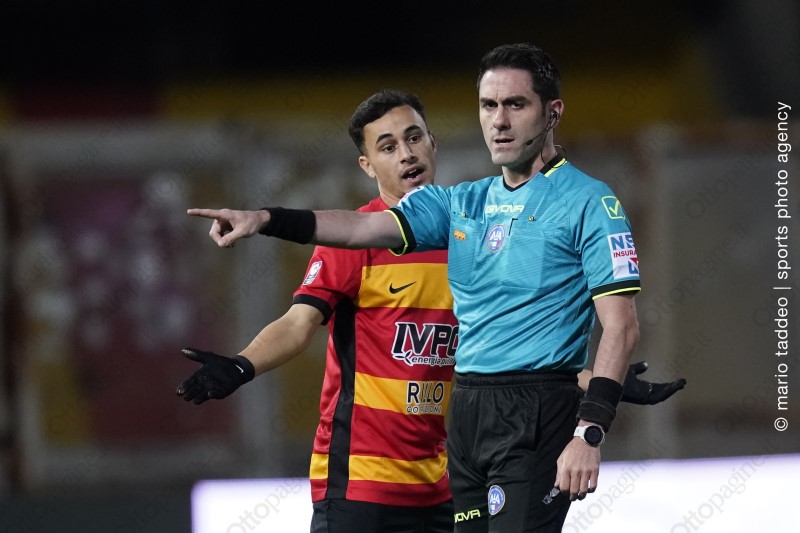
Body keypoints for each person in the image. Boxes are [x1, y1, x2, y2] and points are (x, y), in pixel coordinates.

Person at [180, 74, 683, 531]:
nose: (406, 154)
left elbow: (500, 351)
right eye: (388, 146)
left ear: (433, 143)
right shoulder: (353, 241)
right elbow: (297, 325)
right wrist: (242, 366)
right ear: (367, 165)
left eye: (414, 137)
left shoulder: (475, 230)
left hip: (448, 484)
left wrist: (599, 382)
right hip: (362, 486)